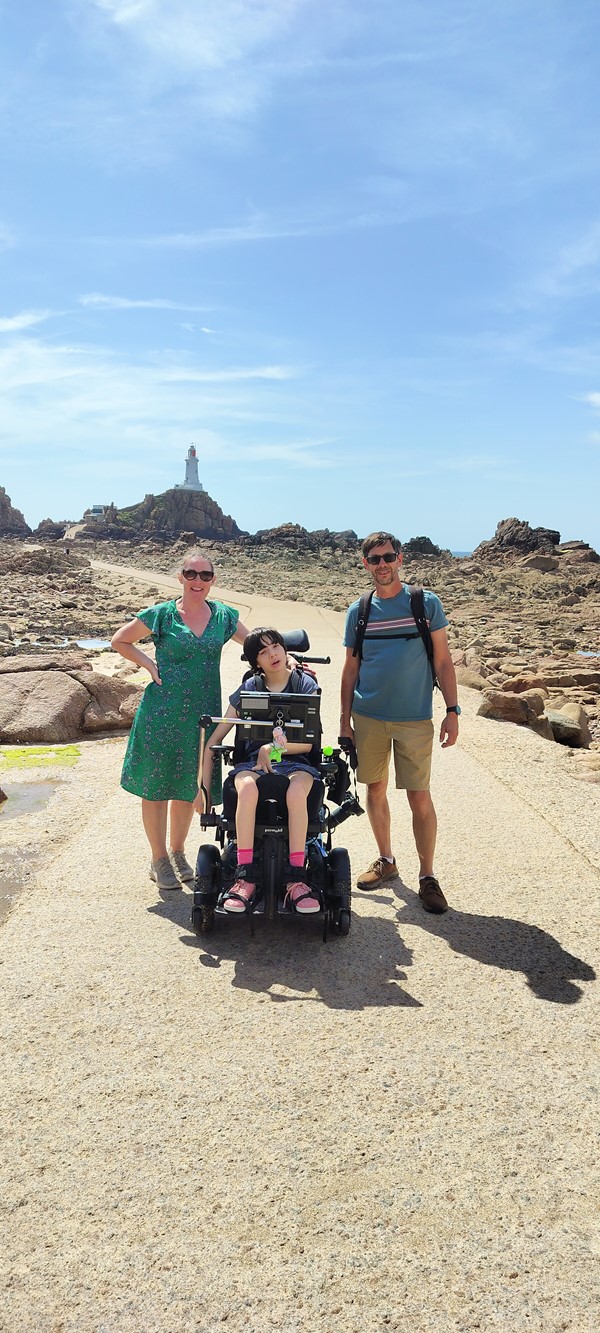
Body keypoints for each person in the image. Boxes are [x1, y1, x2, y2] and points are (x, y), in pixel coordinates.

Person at [112, 550, 250, 891]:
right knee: (156, 787)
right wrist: (148, 664)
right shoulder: (161, 615)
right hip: (162, 712)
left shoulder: (224, 616)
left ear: (213, 580)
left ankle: (177, 852)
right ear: (181, 577)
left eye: (205, 575)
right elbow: (120, 640)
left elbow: (258, 644)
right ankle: (158, 858)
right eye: (191, 574)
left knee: (190, 786)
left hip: (202, 717)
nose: (198, 581)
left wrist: (285, 661)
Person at [340, 531, 459, 913]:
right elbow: (350, 669)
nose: (382, 565)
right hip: (369, 717)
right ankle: (387, 861)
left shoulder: (425, 603)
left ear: (400, 559)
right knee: (375, 791)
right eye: (374, 559)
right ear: (365, 564)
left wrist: (452, 711)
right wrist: (345, 721)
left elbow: (442, 661)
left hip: (414, 720)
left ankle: (427, 877)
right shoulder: (359, 611)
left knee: (419, 797)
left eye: (388, 557)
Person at [196, 627, 322, 915]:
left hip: (296, 762)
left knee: (296, 791)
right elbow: (214, 739)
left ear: (284, 649)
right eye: (263, 652)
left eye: (276, 646)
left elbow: (306, 744)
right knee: (247, 788)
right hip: (252, 764)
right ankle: (245, 875)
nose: (273, 654)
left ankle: (295, 877)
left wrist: (273, 749)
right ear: (256, 662)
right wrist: (201, 791)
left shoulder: (304, 685)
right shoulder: (249, 688)